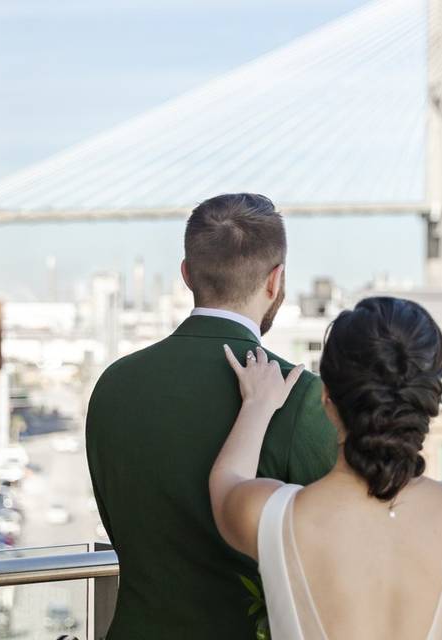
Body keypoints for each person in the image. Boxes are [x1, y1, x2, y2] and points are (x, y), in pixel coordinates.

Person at [86, 194, 338, 639]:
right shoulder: (299, 398)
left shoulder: (113, 386)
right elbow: (336, 550)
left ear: (186, 274)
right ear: (275, 281)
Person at [209, 296, 442, 639]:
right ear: (430, 400)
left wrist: (258, 404)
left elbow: (225, 480)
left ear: (326, 397)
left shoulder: (274, 516)